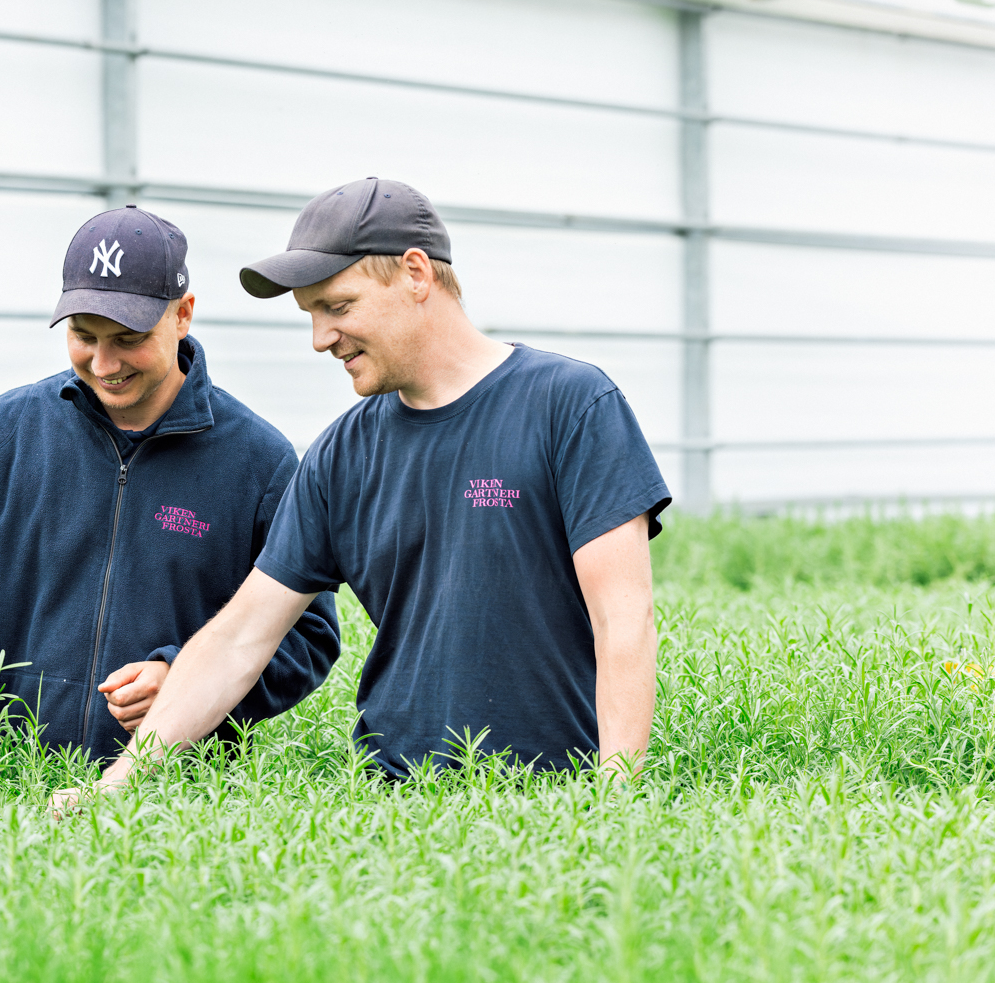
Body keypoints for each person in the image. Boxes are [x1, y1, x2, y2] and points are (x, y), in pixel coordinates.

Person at [54, 177, 670, 803]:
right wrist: (118, 785)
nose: (321, 337)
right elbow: (239, 639)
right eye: (311, 314)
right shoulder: (340, 454)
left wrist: (613, 802)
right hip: (390, 807)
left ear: (415, 274)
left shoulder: (570, 406)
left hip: (550, 800)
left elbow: (624, 618)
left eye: (339, 307)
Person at [0, 205, 340, 763]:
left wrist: (182, 680)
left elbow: (308, 634)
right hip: (2, 778)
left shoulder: (258, 462)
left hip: (171, 792)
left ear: (183, 315)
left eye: (128, 338)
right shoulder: (9, 432)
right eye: (83, 335)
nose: (104, 363)